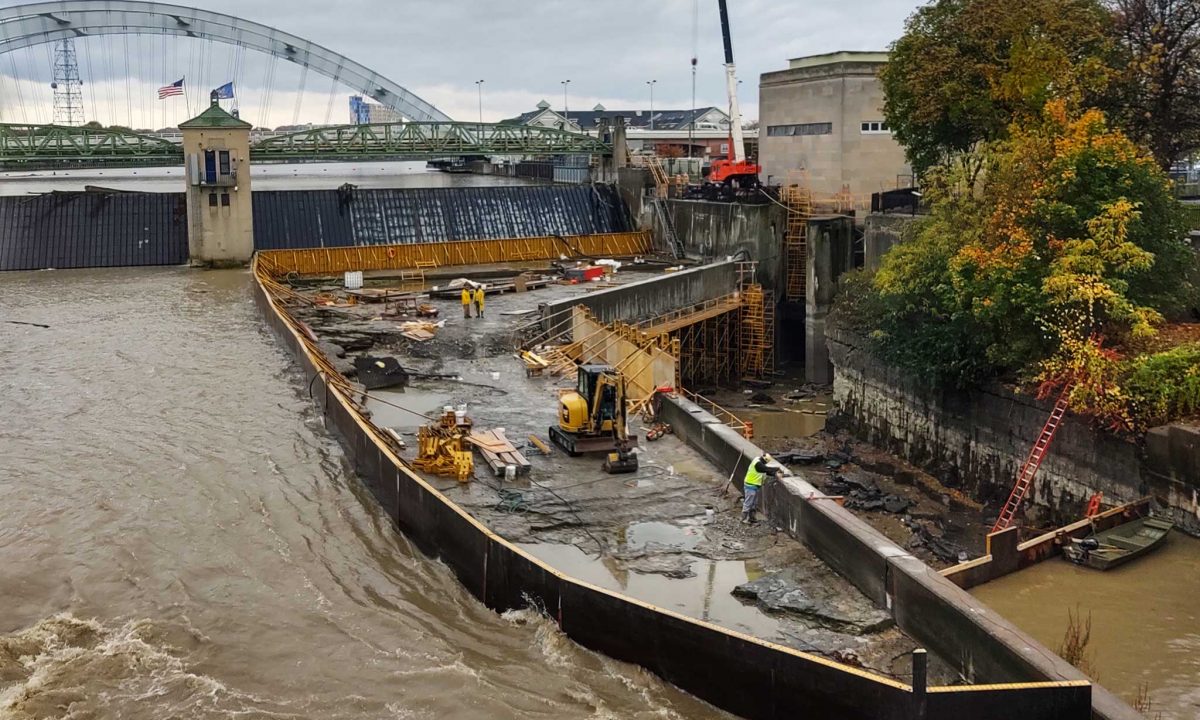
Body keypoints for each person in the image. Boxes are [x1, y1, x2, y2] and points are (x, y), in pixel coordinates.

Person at [742, 453, 778, 524]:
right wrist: (777, 469)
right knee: (749, 502)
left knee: (754, 503)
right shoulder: (757, 463)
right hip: (750, 485)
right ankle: (744, 518)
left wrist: (774, 474)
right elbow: (765, 469)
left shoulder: (760, 463)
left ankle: (752, 518)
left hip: (755, 486)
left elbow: (765, 472)